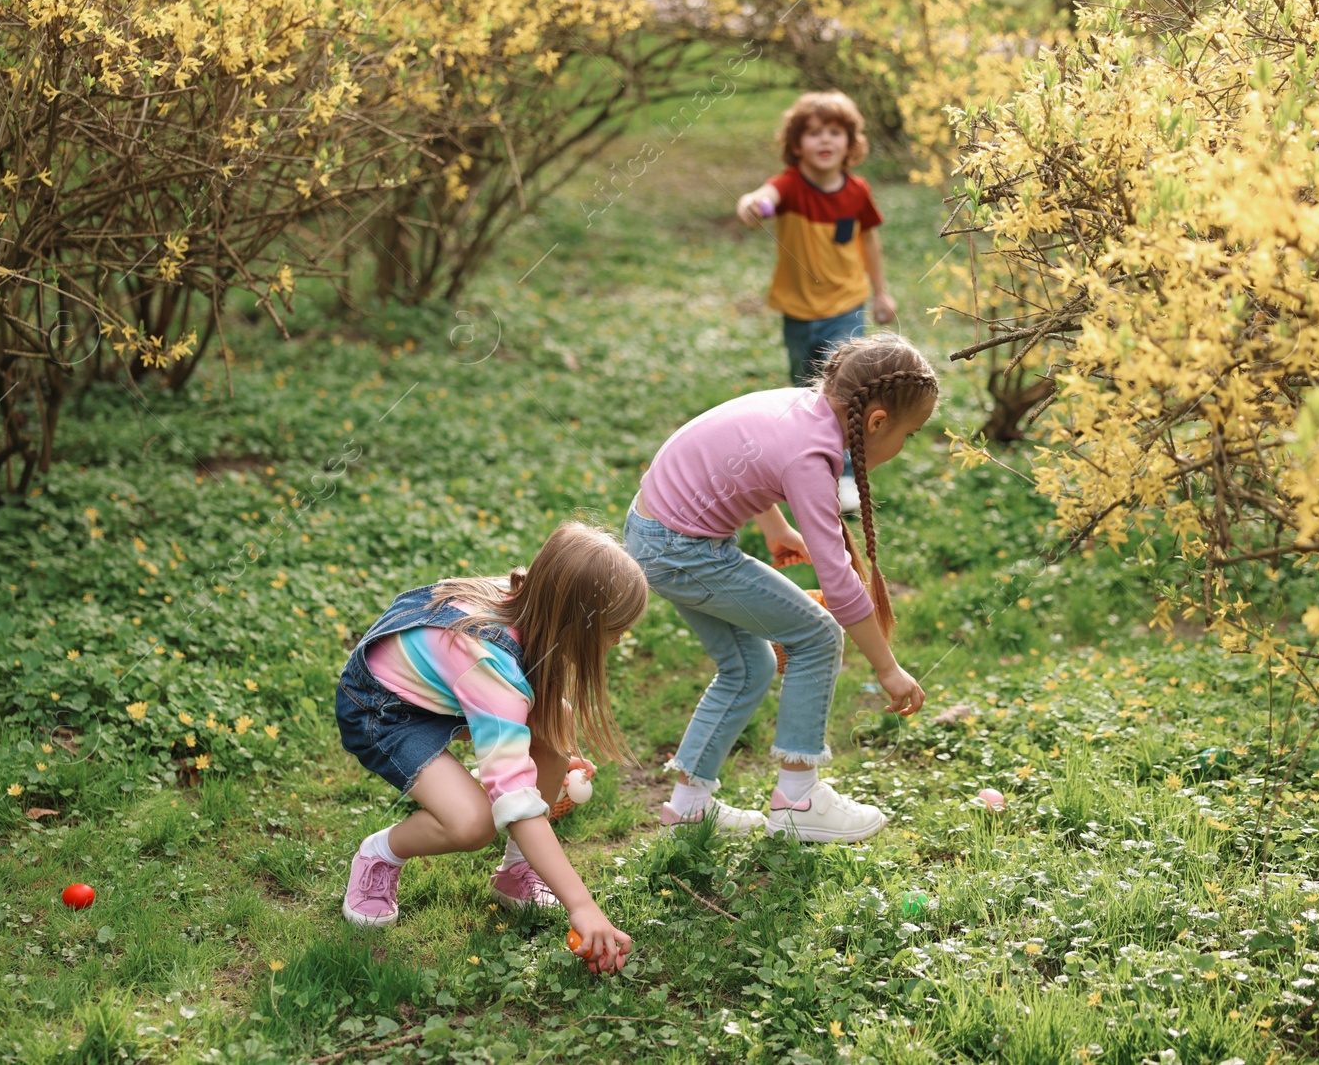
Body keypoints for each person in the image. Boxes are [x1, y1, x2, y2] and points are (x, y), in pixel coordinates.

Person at [624, 334, 934, 843]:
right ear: (877, 422)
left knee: (749, 666)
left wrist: (775, 528)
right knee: (817, 636)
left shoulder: (796, 407)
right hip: (682, 551)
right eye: (911, 434)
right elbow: (839, 584)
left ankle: (689, 808)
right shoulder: (811, 458)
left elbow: (741, 456)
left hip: (652, 533)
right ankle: (799, 800)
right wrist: (888, 668)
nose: (906, 445)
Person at [334, 522, 644, 973]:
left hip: (443, 687)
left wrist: (546, 759)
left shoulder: (536, 602)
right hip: (384, 709)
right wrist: (582, 905)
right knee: (473, 823)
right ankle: (381, 853)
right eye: (614, 631)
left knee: (555, 723)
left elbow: (530, 708)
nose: (619, 641)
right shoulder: (490, 666)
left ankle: (517, 875)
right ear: (577, 624)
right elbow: (515, 804)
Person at [735, 90, 897, 515]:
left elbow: (869, 240)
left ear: (849, 142)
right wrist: (753, 206)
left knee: (845, 390)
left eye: (834, 132)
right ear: (796, 144)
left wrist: (881, 292)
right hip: (798, 312)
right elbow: (759, 198)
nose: (825, 141)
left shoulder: (857, 191)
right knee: (805, 391)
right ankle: (807, 465)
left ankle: (844, 474)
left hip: (844, 306)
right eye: (813, 133)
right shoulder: (788, 187)